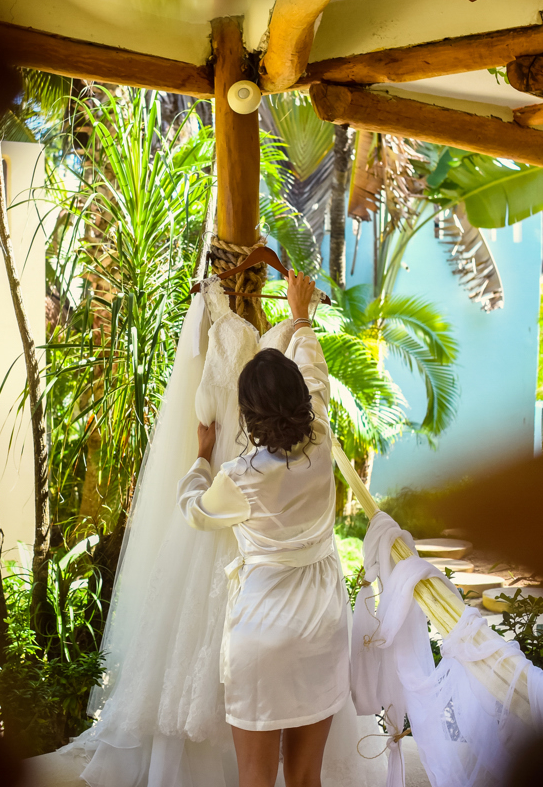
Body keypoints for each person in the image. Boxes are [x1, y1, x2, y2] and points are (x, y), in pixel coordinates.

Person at [177, 271, 348, 787]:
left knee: (255, 779)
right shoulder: (320, 432)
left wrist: (202, 458)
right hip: (322, 624)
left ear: (246, 416)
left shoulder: (240, 477)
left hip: (263, 634)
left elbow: (195, 511)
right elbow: (312, 368)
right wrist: (299, 316)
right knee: (304, 778)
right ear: (299, 398)